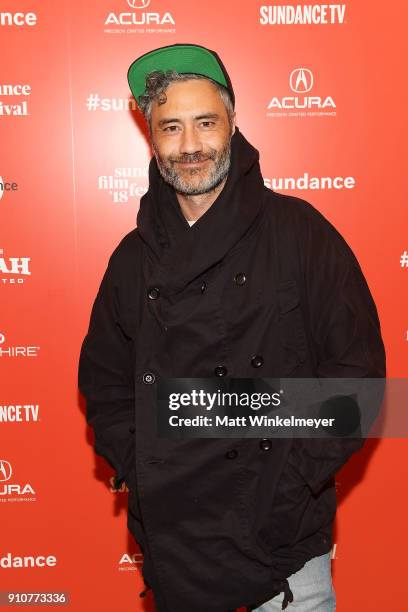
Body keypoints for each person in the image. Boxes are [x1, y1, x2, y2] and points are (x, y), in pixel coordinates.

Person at [78, 43, 386, 611]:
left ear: (233, 124)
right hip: (177, 537)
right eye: (171, 127)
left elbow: (358, 380)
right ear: (152, 137)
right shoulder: (132, 259)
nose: (190, 146)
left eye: (205, 123)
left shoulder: (301, 235)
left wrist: (289, 482)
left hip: (285, 546)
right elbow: (104, 382)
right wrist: (139, 461)